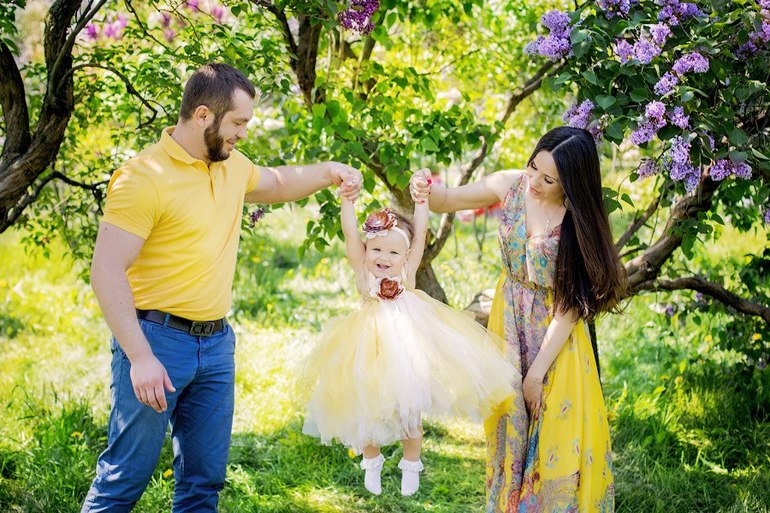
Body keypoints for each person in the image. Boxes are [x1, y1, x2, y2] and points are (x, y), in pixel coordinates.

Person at [81, 63, 362, 513]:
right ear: (203, 116)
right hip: (155, 342)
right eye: (238, 123)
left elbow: (278, 183)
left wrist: (331, 171)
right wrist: (140, 357)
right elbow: (106, 271)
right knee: (124, 478)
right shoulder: (143, 178)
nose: (243, 134)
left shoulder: (230, 165)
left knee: (203, 484)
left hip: (215, 345)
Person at [410, 126, 625, 512]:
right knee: (508, 427)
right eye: (533, 168)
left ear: (571, 183)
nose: (535, 182)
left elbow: (569, 308)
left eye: (549, 179)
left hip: (554, 339)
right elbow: (447, 200)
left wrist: (536, 374)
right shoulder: (510, 185)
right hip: (508, 326)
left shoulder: (574, 221)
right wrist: (424, 186)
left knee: (553, 433)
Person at [297, 181, 517, 497]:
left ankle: (411, 464)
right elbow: (350, 234)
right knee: (366, 408)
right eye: (376, 249)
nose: (383, 257)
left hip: (406, 348)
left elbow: (420, 233)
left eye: (393, 252)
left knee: (410, 413)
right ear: (366, 250)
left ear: (406, 255)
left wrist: (422, 201)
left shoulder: (407, 271)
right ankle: (371, 462)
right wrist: (347, 201)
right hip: (367, 348)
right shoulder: (363, 271)